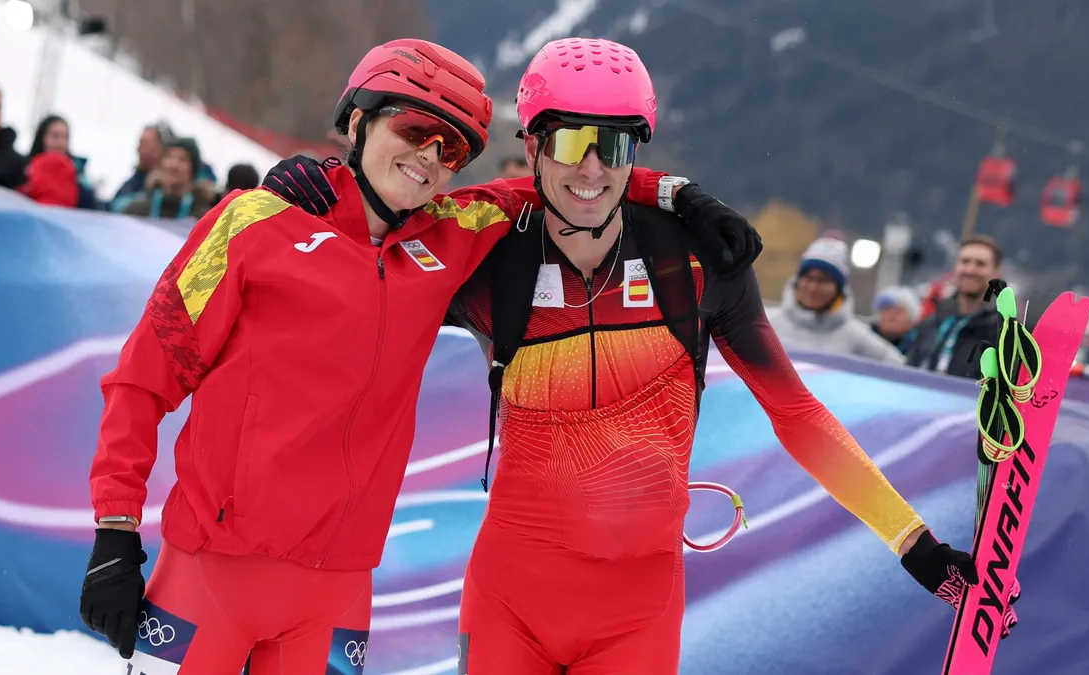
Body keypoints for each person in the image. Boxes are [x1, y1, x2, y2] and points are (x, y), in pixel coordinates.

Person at [78, 37, 751, 675]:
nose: (429, 157)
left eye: (451, 148)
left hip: (335, 592)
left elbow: (567, 178)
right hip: (212, 571)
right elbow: (141, 381)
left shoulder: (450, 238)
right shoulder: (253, 223)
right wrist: (115, 532)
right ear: (358, 121)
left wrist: (678, 193)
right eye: (411, 131)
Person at [435, 38, 994, 673]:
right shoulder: (486, 257)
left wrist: (913, 543)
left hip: (635, 614)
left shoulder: (696, 262)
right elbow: (382, 240)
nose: (591, 168)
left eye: (614, 145)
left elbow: (797, 414)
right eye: (567, 142)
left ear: (636, 149)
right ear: (532, 145)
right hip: (510, 600)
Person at [766, 236, 905, 364]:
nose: (813, 287)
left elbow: (903, 372)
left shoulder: (856, 337)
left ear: (839, 289)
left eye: (823, 280)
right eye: (808, 278)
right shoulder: (765, 325)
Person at [905, 235, 1004, 378]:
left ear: (996, 273)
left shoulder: (1000, 334)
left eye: (980, 264)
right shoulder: (932, 323)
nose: (970, 270)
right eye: (965, 262)